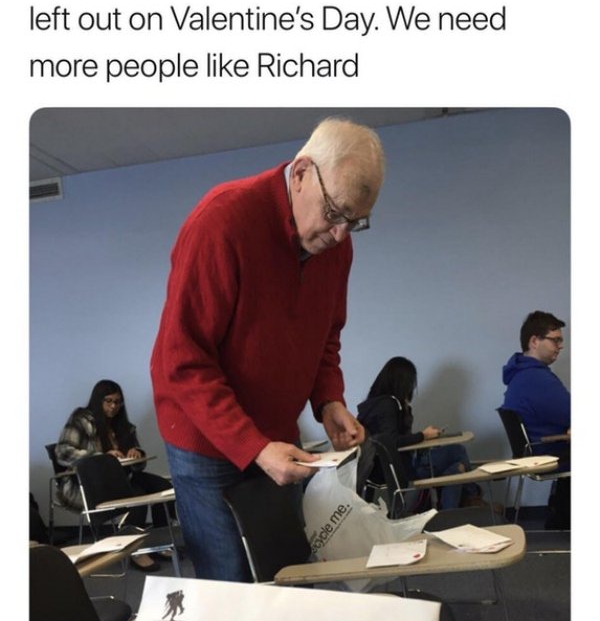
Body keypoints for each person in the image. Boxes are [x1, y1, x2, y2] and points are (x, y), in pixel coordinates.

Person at [151, 117, 385, 581]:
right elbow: (181, 360)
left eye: (357, 222)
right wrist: (253, 447)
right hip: (207, 443)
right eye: (336, 213)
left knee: (288, 571)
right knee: (233, 583)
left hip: (276, 436)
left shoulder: (335, 246)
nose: (341, 236)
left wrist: (329, 400)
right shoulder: (221, 221)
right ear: (300, 174)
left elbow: (325, 334)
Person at [56, 379, 173, 570]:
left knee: (164, 487)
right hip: (93, 483)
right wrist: (101, 457)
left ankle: (160, 541)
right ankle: (135, 551)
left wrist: (136, 453)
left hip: (122, 477)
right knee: (136, 496)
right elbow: (62, 452)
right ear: (98, 401)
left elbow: (137, 466)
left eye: (118, 402)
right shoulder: (82, 420)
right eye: (108, 401)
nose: (113, 406)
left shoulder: (123, 426)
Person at [357, 356, 484, 510]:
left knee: (456, 469)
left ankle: (444, 516)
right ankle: (472, 496)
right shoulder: (388, 405)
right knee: (457, 451)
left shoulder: (376, 403)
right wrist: (423, 436)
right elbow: (391, 440)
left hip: (389, 466)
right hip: (401, 469)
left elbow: (391, 437)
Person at [501, 310, 570, 529]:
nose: (560, 346)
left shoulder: (520, 374)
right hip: (549, 452)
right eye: (556, 340)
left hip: (540, 448)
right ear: (534, 341)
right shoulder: (537, 378)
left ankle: (562, 516)